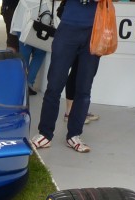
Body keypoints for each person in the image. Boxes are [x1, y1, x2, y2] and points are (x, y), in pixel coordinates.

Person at [31, 0, 102, 153]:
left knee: (84, 88)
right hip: (68, 28)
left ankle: (74, 135)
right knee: (54, 85)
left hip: (95, 30)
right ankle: (45, 134)